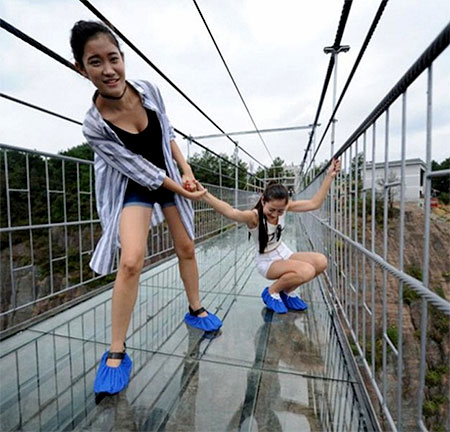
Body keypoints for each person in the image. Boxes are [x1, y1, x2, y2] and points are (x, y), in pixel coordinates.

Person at [70, 20, 222, 401]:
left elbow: (167, 134)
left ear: (123, 59)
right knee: (132, 260)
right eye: (95, 62)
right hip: (132, 185)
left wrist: (187, 172)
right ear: (81, 69)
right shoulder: (93, 125)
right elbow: (139, 170)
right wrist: (185, 192)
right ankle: (117, 350)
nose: (108, 70)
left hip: (169, 175)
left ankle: (195, 309)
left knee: (186, 247)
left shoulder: (149, 89)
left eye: (113, 58)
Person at [195, 159, 340, 314]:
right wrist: (205, 195)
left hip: (284, 253)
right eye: (271, 210)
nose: (275, 214)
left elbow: (314, 203)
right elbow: (231, 212)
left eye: (280, 211)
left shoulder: (284, 207)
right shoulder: (254, 217)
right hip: (267, 261)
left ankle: (286, 292)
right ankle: (271, 292)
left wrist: (329, 176)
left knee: (321, 262)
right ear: (263, 201)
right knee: (307, 271)